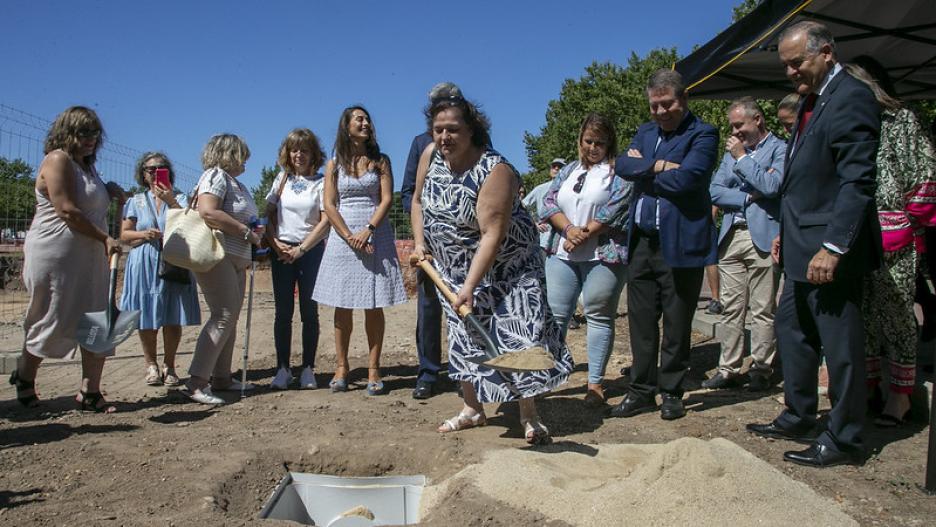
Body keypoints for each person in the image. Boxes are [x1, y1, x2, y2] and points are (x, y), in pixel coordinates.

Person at [746, 21, 881, 468]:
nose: (790, 72)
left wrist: (835, 247)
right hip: (799, 244)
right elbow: (801, 181)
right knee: (793, 332)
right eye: (785, 64)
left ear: (826, 53)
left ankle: (845, 437)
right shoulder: (810, 102)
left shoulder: (851, 98)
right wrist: (787, 228)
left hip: (829, 252)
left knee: (839, 347)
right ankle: (800, 413)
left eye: (797, 62)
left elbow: (855, 183)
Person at [411, 93, 573, 444]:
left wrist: (469, 286)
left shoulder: (495, 170)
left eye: (452, 130)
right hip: (451, 267)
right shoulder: (431, 156)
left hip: (509, 270)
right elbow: (418, 201)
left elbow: (492, 234)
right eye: (438, 130)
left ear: (472, 130)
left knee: (518, 337)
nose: (444, 138)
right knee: (464, 336)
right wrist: (421, 242)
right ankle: (473, 409)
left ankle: (528, 414)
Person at [608, 69, 719, 421]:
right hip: (642, 242)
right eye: (654, 105)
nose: (660, 112)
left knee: (676, 321)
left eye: (667, 104)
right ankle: (641, 389)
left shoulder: (703, 133)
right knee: (640, 321)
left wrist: (647, 170)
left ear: (683, 100)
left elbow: (690, 178)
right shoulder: (646, 132)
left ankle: (672, 392)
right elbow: (622, 165)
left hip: (680, 242)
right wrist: (657, 165)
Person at [11, 106, 126, 412]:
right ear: (67, 132)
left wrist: (110, 194)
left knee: (96, 318)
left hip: (91, 255)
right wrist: (104, 238)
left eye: (94, 133)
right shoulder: (57, 160)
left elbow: (91, 207)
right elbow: (66, 209)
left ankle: (90, 391)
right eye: (83, 132)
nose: (90, 139)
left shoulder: (88, 168)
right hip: (56, 253)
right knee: (51, 315)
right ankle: (25, 376)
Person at [847, 56, 936, 427]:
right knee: (863, 315)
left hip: (893, 233)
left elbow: (924, 176)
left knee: (897, 316)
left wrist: (904, 224)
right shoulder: (853, 124)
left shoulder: (902, 121)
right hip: (854, 235)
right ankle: (867, 387)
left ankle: (900, 397)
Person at [312, 106, 407, 396]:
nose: (365, 123)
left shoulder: (381, 160)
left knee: (373, 303)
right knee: (342, 304)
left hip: (374, 232)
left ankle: (374, 369)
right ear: (346, 126)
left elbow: (387, 198)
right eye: (359, 119)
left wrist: (369, 229)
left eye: (367, 119)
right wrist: (349, 235)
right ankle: (341, 368)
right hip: (343, 234)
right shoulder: (334, 164)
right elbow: (329, 204)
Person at [540, 113, 630, 406]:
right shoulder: (568, 171)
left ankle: (595, 384)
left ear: (609, 144)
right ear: (580, 141)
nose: (593, 148)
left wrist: (584, 232)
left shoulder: (619, 172)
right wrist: (568, 229)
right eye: (588, 141)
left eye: (599, 143)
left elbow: (616, 208)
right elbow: (549, 202)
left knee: (599, 315)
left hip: (603, 254)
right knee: (556, 316)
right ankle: (549, 376)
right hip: (563, 253)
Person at [705, 97, 784, 391]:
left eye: (739, 125)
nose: (735, 133)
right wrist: (748, 197)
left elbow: (773, 187)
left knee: (763, 308)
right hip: (731, 236)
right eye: (732, 127)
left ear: (758, 120)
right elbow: (715, 190)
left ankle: (762, 369)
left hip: (763, 236)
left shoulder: (780, 149)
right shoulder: (730, 154)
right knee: (731, 307)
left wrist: (741, 160)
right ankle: (729, 368)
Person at [183, 134, 264, 405]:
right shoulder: (214, 176)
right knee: (223, 314)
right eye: (243, 156)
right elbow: (208, 212)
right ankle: (196, 382)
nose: (246, 163)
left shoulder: (234, 183)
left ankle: (222, 378)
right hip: (217, 255)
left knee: (230, 317)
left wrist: (253, 229)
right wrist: (245, 231)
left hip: (235, 259)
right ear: (230, 154)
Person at [119, 152, 201, 387]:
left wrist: (170, 202)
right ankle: (151, 365)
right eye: (150, 169)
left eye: (160, 168)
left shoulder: (181, 198)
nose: (155, 173)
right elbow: (125, 235)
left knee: (172, 314)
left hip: (173, 260)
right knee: (146, 315)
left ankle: (170, 365)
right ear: (143, 175)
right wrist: (144, 234)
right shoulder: (136, 201)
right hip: (143, 263)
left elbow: (191, 224)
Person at [400, 83, 460, 400]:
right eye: (439, 105)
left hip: (465, 241)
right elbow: (410, 193)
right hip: (431, 243)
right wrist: (421, 236)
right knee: (429, 307)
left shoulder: (475, 141)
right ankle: (428, 372)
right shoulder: (421, 144)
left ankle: (467, 372)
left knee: (465, 303)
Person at [265, 129, 331, 390]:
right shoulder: (281, 179)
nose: (299, 155)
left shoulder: (322, 182)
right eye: (294, 149)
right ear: (287, 153)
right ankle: (282, 368)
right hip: (281, 251)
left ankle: (308, 368)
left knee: (309, 312)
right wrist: (275, 242)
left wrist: (302, 249)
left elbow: (325, 220)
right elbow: (268, 215)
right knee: (283, 312)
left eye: (304, 149)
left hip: (310, 252)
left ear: (313, 153)